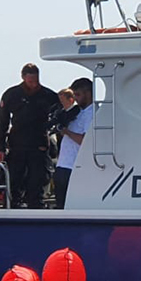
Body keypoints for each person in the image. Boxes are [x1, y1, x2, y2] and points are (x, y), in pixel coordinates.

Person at [0, 63, 60, 208]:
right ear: (23, 78)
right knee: (15, 181)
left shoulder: (48, 95)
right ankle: (12, 209)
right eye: (30, 81)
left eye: (36, 81)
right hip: (17, 145)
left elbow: (60, 118)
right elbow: (2, 122)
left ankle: (36, 209)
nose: (34, 84)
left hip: (39, 145)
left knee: (37, 182)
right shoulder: (12, 94)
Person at [53, 78, 94, 209]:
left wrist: (67, 132)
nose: (75, 99)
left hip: (74, 167)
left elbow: (87, 141)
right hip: (64, 164)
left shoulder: (91, 113)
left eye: (78, 95)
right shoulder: (78, 112)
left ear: (87, 93)